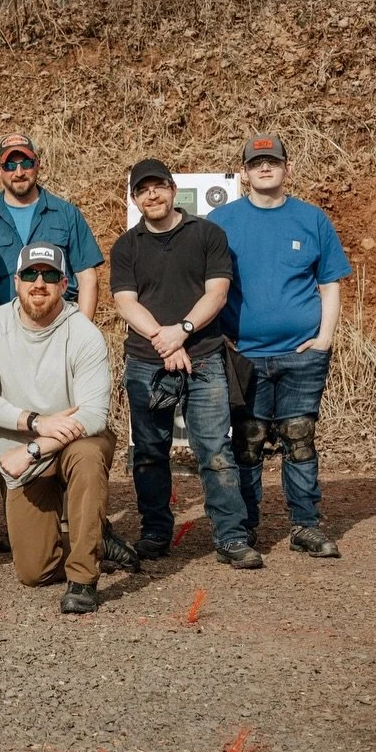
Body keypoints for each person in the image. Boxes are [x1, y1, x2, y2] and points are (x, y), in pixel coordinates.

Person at [0, 242, 140, 615]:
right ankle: (96, 539)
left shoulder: (82, 333)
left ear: (65, 284)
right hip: (25, 451)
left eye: (49, 276)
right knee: (34, 571)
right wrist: (36, 422)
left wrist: (34, 446)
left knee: (90, 454)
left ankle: (83, 579)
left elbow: (93, 415)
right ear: (16, 281)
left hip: (66, 445)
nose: (39, 283)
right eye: (30, 274)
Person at [110, 157, 263, 569]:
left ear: (173, 189)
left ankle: (230, 536)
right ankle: (156, 531)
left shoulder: (208, 234)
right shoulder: (127, 246)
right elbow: (126, 301)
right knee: (148, 452)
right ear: (135, 198)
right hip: (147, 361)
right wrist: (165, 339)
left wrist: (184, 329)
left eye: (158, 185)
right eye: (143, 189)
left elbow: (217, 292)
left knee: (214, 449)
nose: (152, 194)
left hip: (205, 357)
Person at [208, 134, 351, 558]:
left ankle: (305, 525)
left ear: (287, 168)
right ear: (245, 172)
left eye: (272, 161)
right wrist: (217, 333)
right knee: (248, 441)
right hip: (244, 353)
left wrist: (324, 338)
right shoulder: (222, 221)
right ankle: (247, 527)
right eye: (256, 163)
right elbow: (208, 284)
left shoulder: (312, 220)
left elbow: (329, 282)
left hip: (301, 353)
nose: (264, 168)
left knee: (299, 437)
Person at [0, 133, 103, 319]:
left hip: (58, 328)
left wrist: (81, 332)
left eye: (26, 163)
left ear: (38, 164)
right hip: (3, 332)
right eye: (10, 166)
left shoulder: (66, 214)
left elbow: (87, 278)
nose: (19, 173)